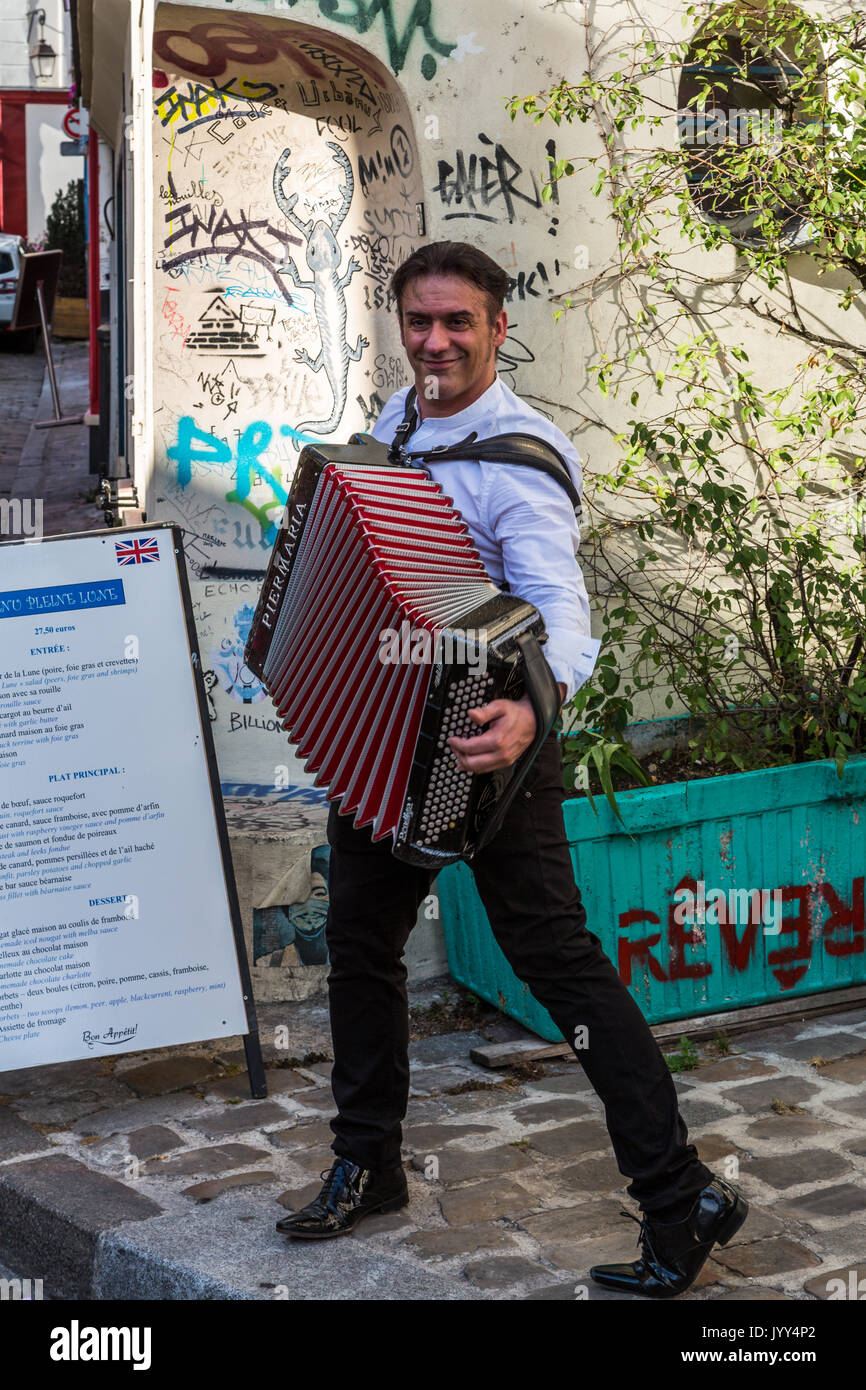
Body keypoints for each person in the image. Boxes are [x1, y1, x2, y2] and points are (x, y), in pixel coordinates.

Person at [276, 240, 748, 1298]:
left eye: (456, 323)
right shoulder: (393, 428)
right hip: (389, 742)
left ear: (496, 328)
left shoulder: (518, 458)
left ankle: (681, 1199)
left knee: (559, 968)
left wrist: (531, 715)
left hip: (491, 749)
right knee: (359, 941)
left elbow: (562, 618)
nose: (434, 342)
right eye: (417, 322)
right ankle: (370, 1161)